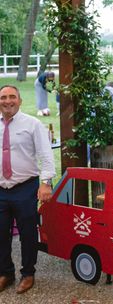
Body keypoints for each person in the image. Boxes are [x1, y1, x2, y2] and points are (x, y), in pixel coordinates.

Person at [0, 85, 55, 294]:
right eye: (3, 97)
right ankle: (5, 273)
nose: (8, 101)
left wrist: (46, 182)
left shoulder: (32, 124)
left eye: (12, 97)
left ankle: (28, 273)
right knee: (0, 233)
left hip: (25, 188)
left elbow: (45, 154)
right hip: (0, 190)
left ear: (20, 100)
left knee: (28, 234)